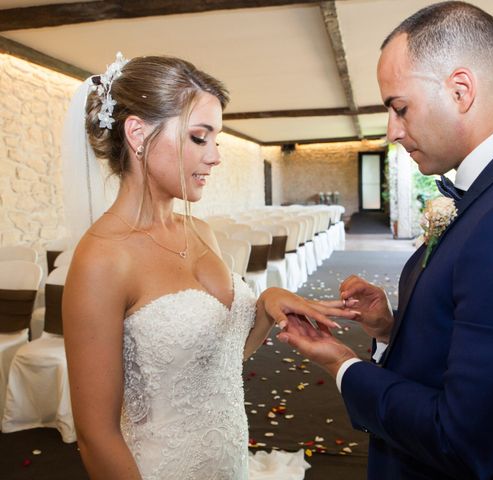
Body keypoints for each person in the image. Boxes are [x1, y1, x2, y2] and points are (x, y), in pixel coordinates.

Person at [276, 2, 493, 478]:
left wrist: (344, 363)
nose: (392, 130)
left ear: (460, 90)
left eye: (400, 107)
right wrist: (390, 330)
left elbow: (465, 440)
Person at [62, 54, 336, 480]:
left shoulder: (201, 232)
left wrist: (265, 304)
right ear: (137, 133)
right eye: (199, 138)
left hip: (227, 459)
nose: (215, 157)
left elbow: (219, 361)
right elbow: (96, 435)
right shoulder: (102, 258)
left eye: (217, 139)